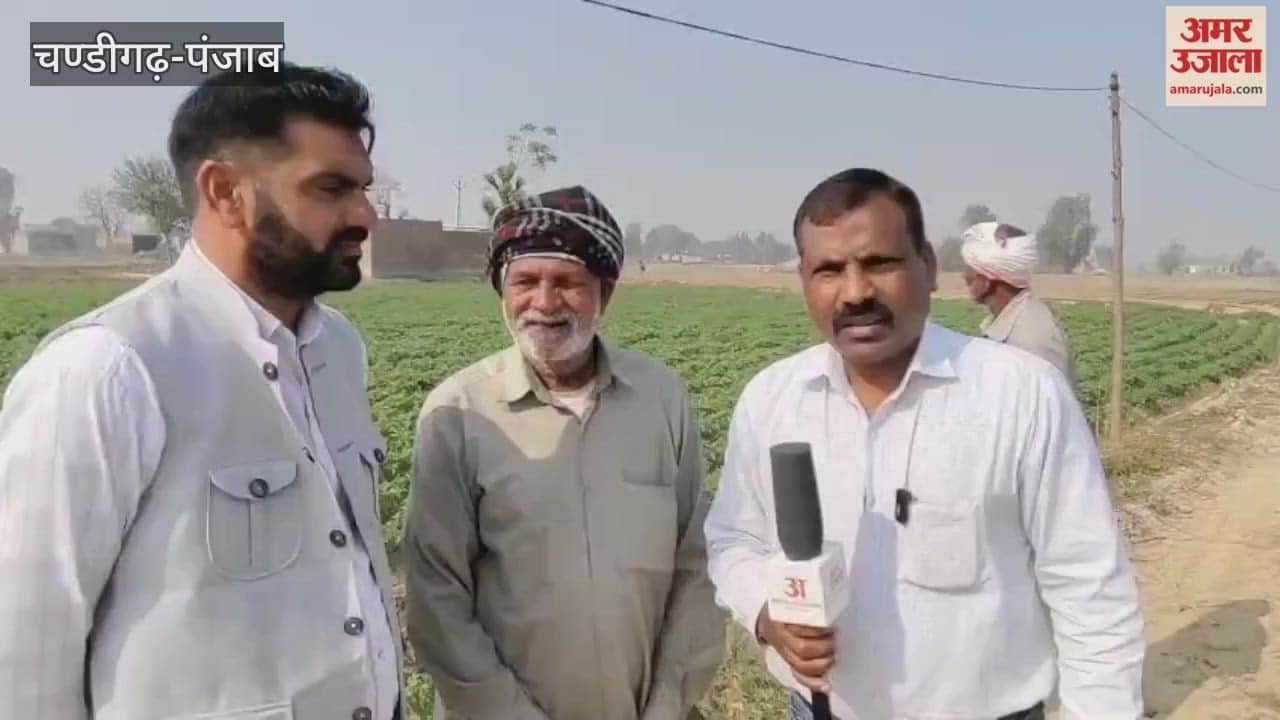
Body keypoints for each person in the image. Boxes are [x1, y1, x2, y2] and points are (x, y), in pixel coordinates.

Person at [0, 63, 403, 720]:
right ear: (224, 192)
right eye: (331, 188)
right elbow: (23, 656)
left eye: (362, 189)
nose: (365, 216)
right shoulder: (109, 368)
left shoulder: (340, 349)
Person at [703, 168, 1145, 720]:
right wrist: (766, 614)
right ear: (805, 280)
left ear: (929, 268)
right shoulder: (772, 400)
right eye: (829, 270)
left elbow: (1090, 589)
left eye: (880, 264)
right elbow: (732, 538)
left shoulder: (1021, 395)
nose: (856, 292)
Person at [403, 185, 725, 720]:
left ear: (606, 293)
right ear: (502, 291)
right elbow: (437, 597)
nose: (545, 303)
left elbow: (697, 561)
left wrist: (670, 704)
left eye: (568, 283)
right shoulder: (459, 412)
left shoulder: (661, 398)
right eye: (525, 281)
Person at [960, 221, 1077, 386]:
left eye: (969, 269)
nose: (964, 276)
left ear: (986, 281)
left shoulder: (1031, 342)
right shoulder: (1008, 321)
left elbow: (1045, 406)